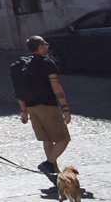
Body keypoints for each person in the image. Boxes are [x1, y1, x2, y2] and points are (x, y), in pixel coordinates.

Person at [16, 35, 72, 175]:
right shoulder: (48, 63)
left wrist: (24, 110)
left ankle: (54, 171)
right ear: (40, 47)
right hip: (48, 105)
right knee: (63, 139)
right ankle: (48, 164)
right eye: (45, 43)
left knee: (47, 139)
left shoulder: (24, 65)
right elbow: (56, 86)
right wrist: (65, 108)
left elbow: (19, 89)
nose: (47, 45)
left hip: (31, 107)